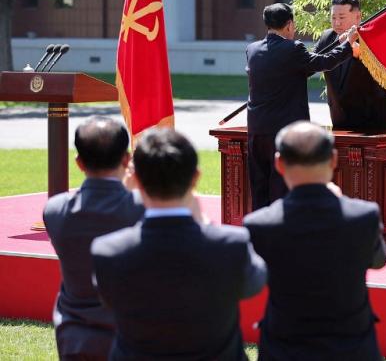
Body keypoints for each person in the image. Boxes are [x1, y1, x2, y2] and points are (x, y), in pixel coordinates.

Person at [91, 128, 267, 360]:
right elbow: (254, 284)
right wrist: (204, 222)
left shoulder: (108, 252)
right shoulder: (231, 245)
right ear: (195, 177)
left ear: (135, 179)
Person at [244, 121, 386, 361]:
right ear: (333, 159)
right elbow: (378, 260)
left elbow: (252, 283)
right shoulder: (363, 216)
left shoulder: (261, 224)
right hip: (352, 349)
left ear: (279, 164)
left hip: (285, 350)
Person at [43, 116, 145, 360]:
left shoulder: (55, 210)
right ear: (127, 159)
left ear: (79, 163)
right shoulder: (143, 209)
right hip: (131, 337)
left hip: (75, 337)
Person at [247, 2, 359, 209]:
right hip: (283, 131)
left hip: (256, 130)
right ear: (289, 25)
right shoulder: (293, 48)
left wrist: (338, 44)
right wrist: (347, 46)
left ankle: (261, 230)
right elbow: (320, 64)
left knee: (259, 187)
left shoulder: (252, 49)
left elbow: (299, 69)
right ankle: (283, 233)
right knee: (281, 187)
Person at [314, 0, 386, 132]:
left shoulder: (373, 34)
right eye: (333, 17)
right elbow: (311, 61)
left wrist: (361, 53)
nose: (337, 23)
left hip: (377, 118)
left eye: (342, 17)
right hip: (341, 118)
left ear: (358, 17)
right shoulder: (327, 38)